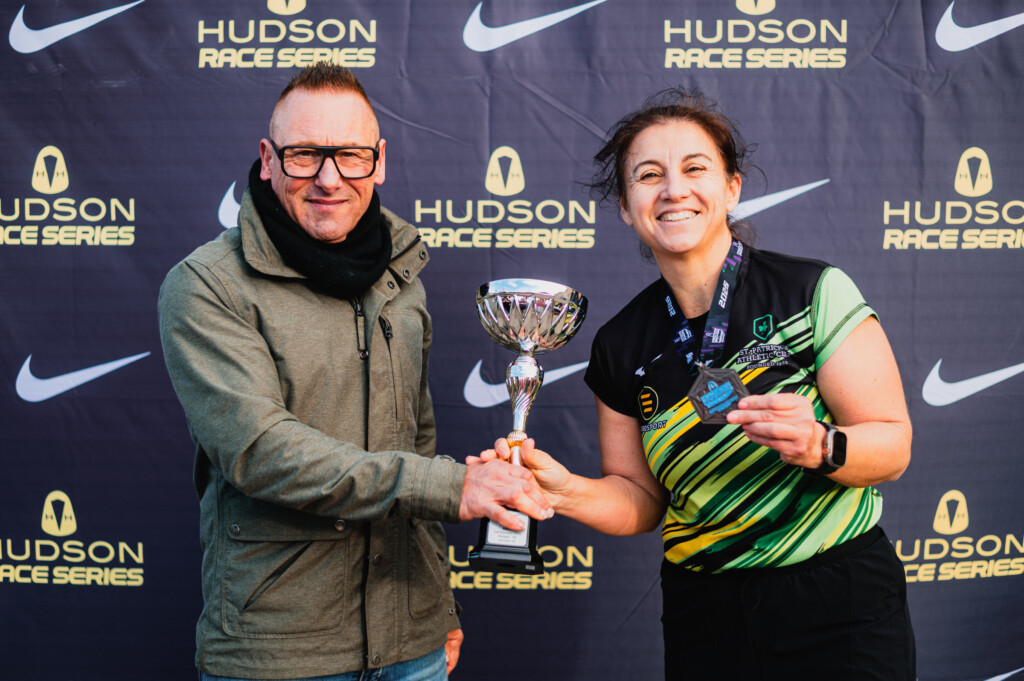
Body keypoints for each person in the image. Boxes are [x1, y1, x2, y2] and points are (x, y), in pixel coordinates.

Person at [475, 89, 915, 679]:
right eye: (648, 175)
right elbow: (640, 500)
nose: (673, 190)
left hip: (838, 602)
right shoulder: (620, 343)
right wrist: (562, 490)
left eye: (694, 169)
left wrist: (819, 444)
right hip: (704, 613)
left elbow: (892, 447)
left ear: (731, 188)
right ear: (627, 207)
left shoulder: (812, 292)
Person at [157, 63, 552, 681]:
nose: (329, 178)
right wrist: (451, 487)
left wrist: (438, 604)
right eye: (305, 155)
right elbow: (260, 450)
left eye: (350, 155)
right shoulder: (208, 285)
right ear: (268, 158)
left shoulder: (401, 277)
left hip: (413, 647)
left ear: (380, 161)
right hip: (283, 653)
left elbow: (417, 442)